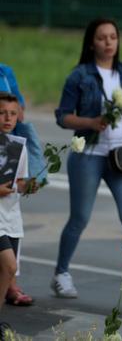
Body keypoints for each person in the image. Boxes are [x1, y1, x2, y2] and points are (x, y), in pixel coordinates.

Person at [53, 18, 122, 304]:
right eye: (101, 38)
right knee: (80, 218)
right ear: (91, 42)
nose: (108, 42)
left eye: (112, 37)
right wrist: (90, 122)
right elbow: (62, 116)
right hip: (88, 155)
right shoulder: (79, 75)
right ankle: (61, 274)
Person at [0, 92, 32, 336]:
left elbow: (18, 181)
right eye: (2, 113)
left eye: (12, 113)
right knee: (8, 265)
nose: (7, 118)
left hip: (10, 218)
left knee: (7, 271)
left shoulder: (17, 146)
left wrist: (27, 185)